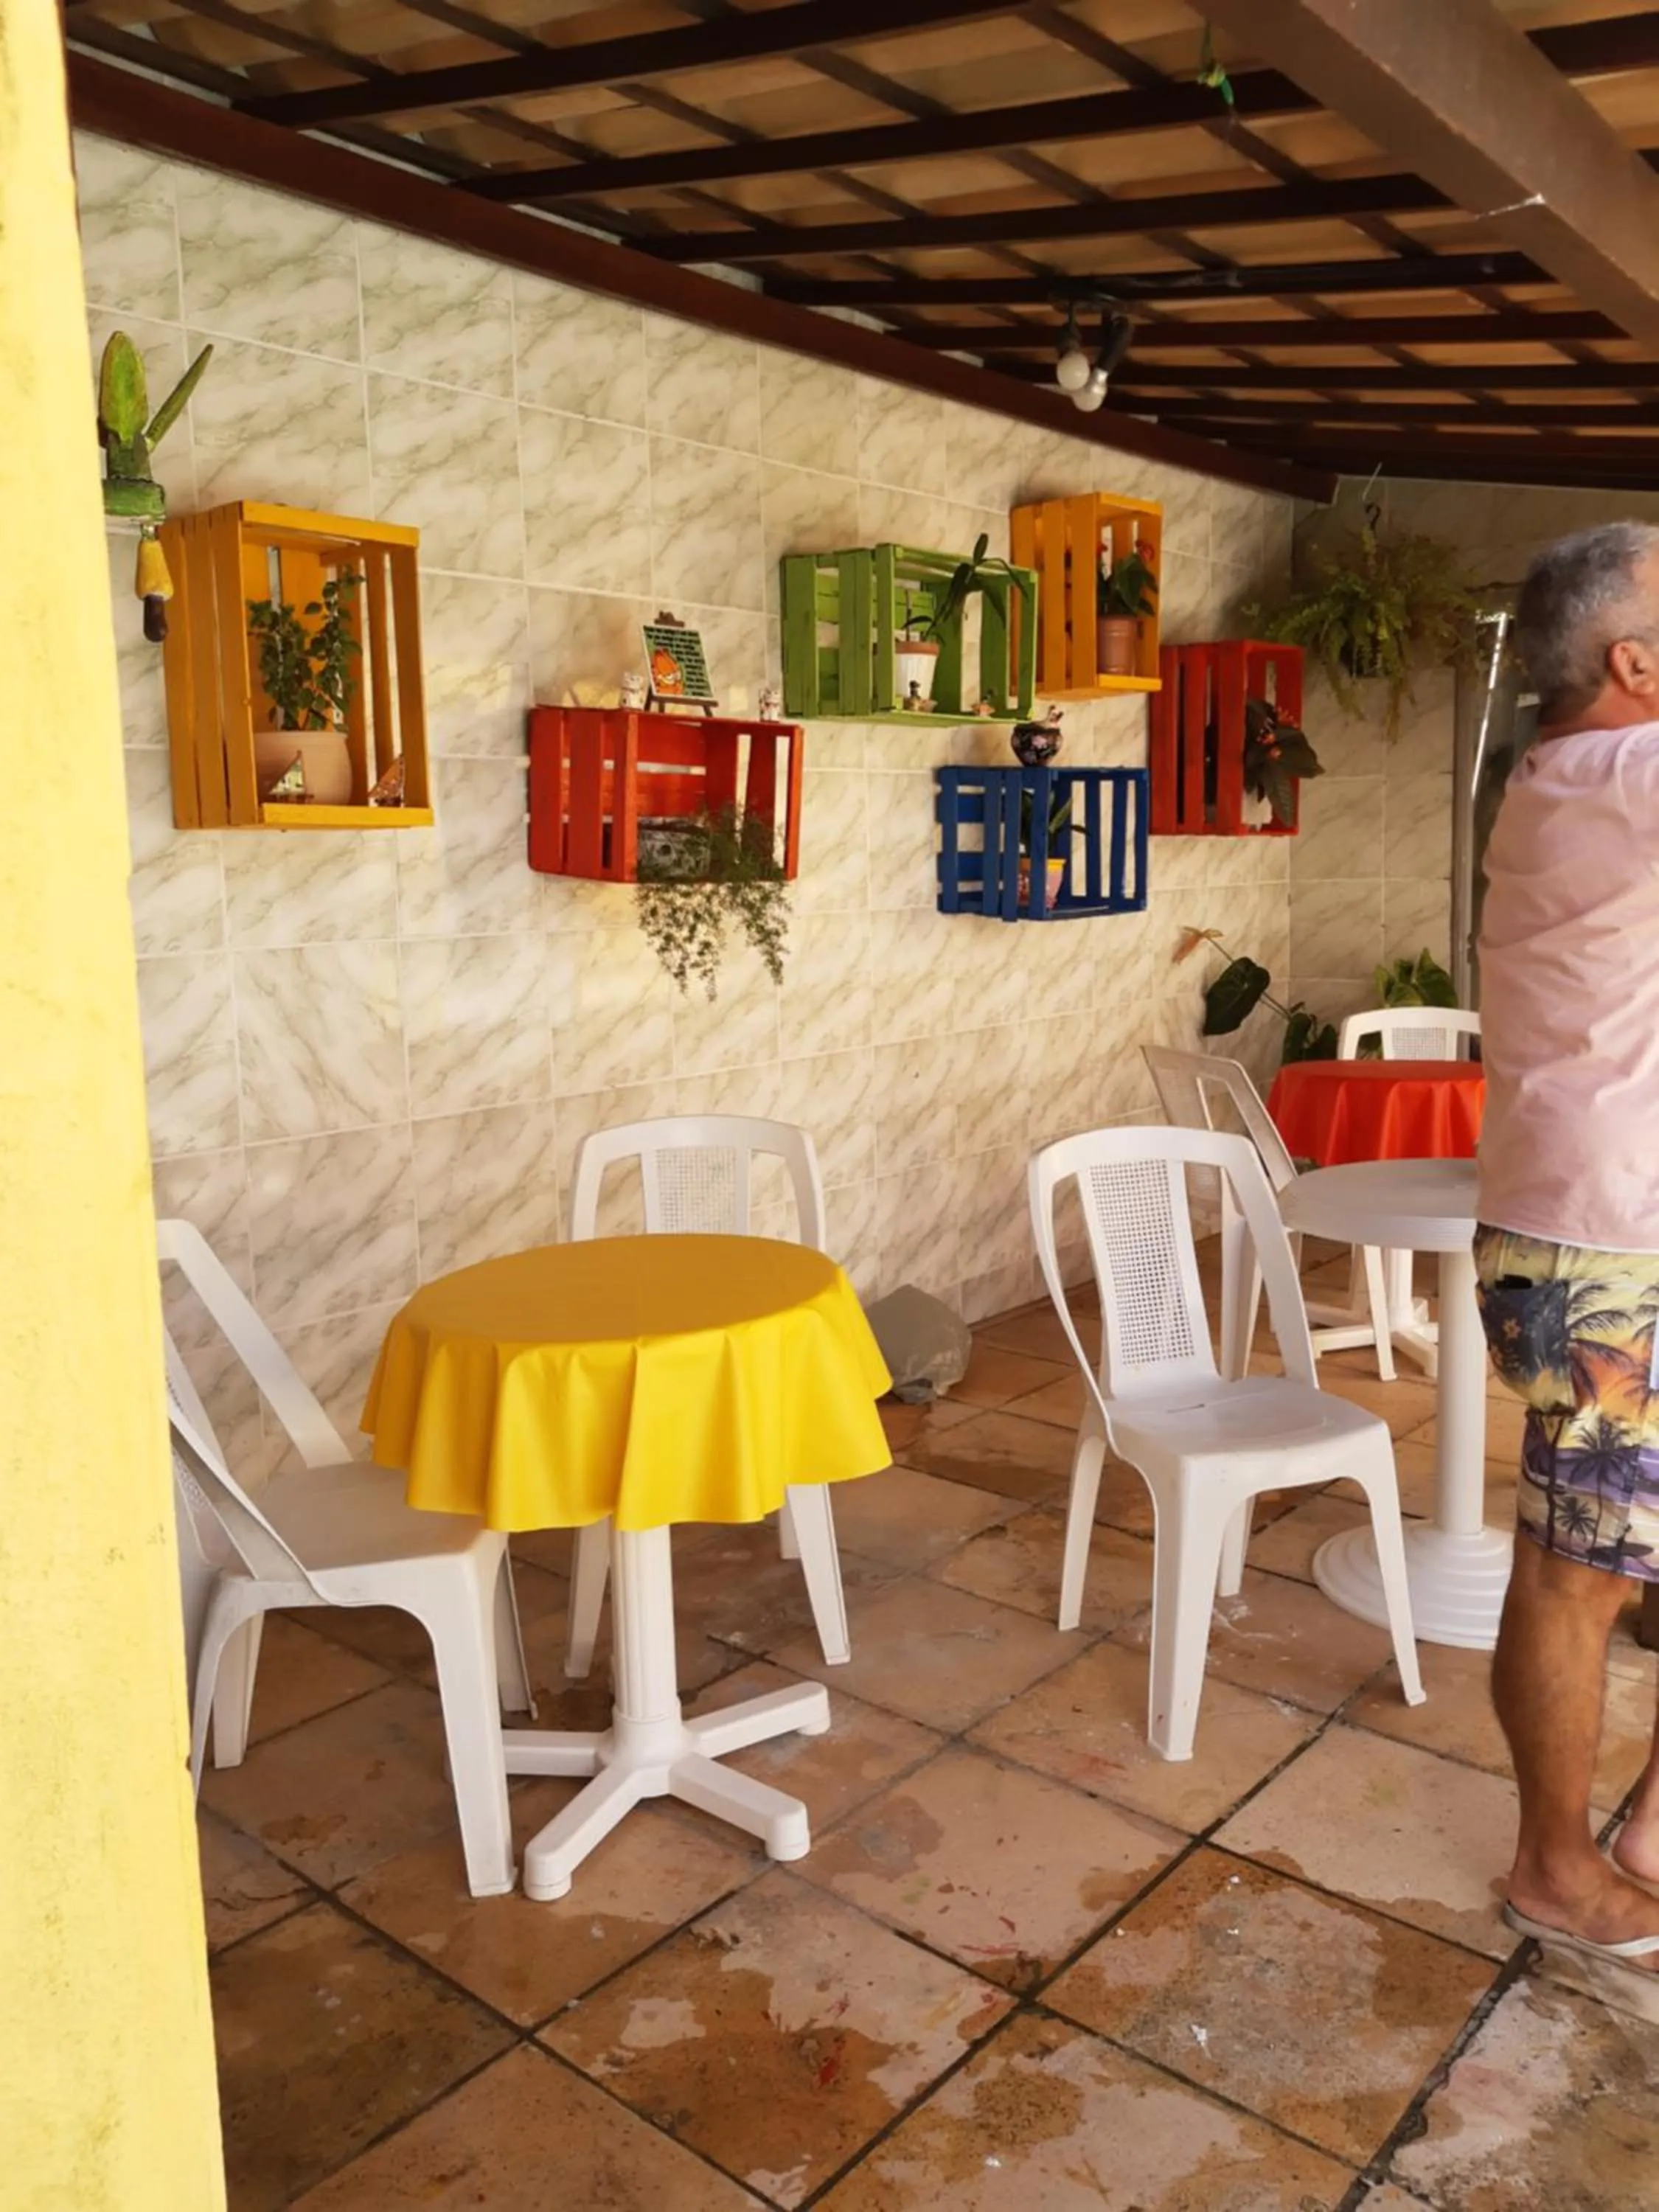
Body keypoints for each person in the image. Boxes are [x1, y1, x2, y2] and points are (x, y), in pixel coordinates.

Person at [1477, 520, 1659, 1972]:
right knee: (1577, 1574)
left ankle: (1642, 1836)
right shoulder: (1626, 774)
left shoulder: (1570, 777)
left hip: (1609, 1230)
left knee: (1600, 1564)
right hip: (1607, 1253)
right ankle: (1552, 1864)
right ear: (1637, 664)